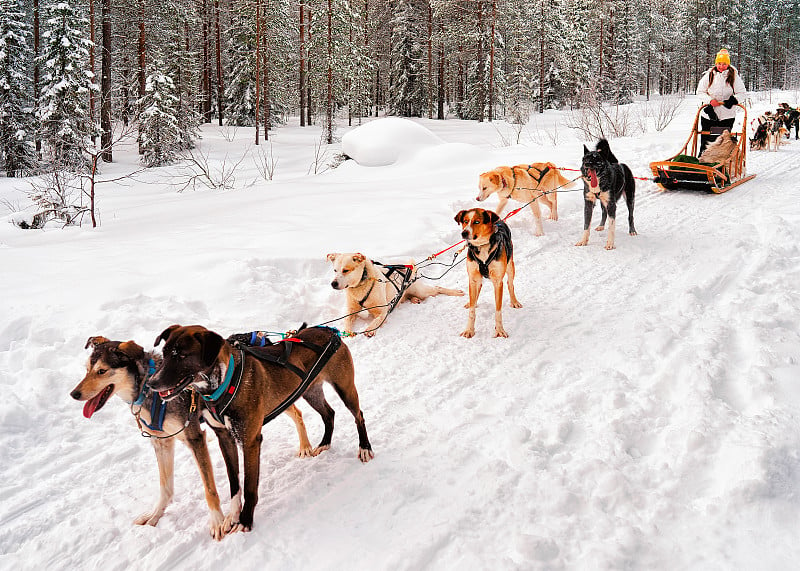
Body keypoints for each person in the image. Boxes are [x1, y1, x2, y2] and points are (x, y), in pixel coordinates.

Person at [695, 49, 747, 154]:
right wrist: (710, 101)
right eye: (719, 64)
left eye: (724, 64)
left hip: (727, 116)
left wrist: (733, 100)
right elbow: (700, 92)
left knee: (722, 143)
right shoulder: (709, 75)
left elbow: (742, 93)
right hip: (709, 115)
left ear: (728, 64)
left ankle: (720, 166)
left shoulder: (734, 76)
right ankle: (703, 164)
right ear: (716, 63)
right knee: (706, 142)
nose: (721, 66)